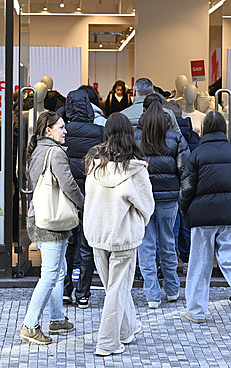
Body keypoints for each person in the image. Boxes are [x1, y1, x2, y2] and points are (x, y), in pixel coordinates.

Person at [179, 111, 231, 331]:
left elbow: (187, 188)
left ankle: (196, 311)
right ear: (224, 129)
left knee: (200, 263)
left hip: (202, 215)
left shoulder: (197, 154)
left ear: (204, 129)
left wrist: (186, 211)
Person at [83, 113, 154, 356]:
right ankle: (107, 342)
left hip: (97, 234)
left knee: (113, 288)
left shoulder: (93, 163)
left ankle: (127, 329)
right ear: (129, 133)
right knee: (117, 289)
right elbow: (147, 205)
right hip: (123, 236)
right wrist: (139, 222)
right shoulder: (135, 168)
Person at [20, 111, 84, 345]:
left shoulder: (38, 150)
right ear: (48, 130)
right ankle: (30, 325)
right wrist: (83, 203)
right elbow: (68, 184)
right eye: (61, 127)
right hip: (52, 221)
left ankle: (56, 318)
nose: (65, 131)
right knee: (49, 275)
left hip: (41, 216)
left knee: (58, 270)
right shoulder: (55, 152)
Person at [134, 96, 189, 309]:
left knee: (146, 245)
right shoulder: (176, 138)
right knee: (168, 242)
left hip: (143, 198)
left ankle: (152, 294)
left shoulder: (135, 137)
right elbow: (185, 170)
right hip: (169, 198)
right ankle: (173, 290)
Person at [61, 88, 105, 308]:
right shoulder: (98, 131)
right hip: (91, 196)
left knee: (69, 246)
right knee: (87, 248)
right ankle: (83, 294)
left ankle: (66, 290)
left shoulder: (63, 131)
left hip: (68, 196)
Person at [163, 100, 199, 270]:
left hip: (168, 188)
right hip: (188, 187)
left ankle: (172, 261)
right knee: (186, 225)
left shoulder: (165, 137)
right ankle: (187, 258)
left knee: (171, 228)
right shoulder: (194, 137)